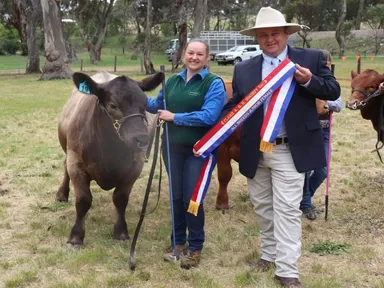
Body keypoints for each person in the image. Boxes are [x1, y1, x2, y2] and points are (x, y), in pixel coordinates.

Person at [222, 7, 340, 288]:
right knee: (263, 205)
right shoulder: (244, 67)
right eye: (263, 35)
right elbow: (236, 103)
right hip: (255, 149)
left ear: (287, 33)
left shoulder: (310, 58)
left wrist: (309, 80)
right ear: (257, 38)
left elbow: (332, 89)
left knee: (287, 208)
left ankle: (287, 270)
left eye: (275, 33)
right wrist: (219, 122)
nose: (269, 39)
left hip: (291, 148)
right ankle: (269, 254)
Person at [146, 39, 226, 269]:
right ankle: (177, 242)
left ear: (207, 58)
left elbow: (209, 116)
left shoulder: (213, 83)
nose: (194, 57)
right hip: (172, 149)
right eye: (191, 53)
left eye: (200, 54)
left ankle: (195, 246)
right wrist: (135, 96)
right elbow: (156, 105)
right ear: (183, 55)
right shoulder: (172, 82)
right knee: (176, 197)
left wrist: (175, 117)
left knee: (192, 198)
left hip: (198, 151)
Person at [300, 50, 343, 221]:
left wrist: (323, 100)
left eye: (326, 63)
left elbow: (338, 105)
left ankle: (303, 196)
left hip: (324, 130)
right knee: (305, 169)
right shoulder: (304, 82)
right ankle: (305, 204)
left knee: (322, 169)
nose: (325, 65)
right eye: (322, 63)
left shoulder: (330, 84)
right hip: (306, 129)